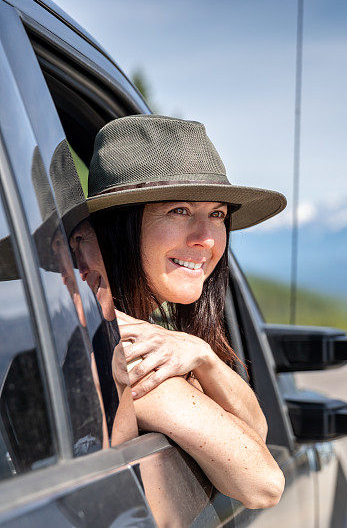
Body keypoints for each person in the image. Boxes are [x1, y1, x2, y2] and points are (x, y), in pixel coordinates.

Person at [78, 114, 287, 509]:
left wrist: (203, 355)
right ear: (116, 228)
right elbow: (264, 485)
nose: (206, 238)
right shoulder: (130, 349)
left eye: (218, 214)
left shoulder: (152, 334)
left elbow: (256, 429)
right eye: (178, 211)